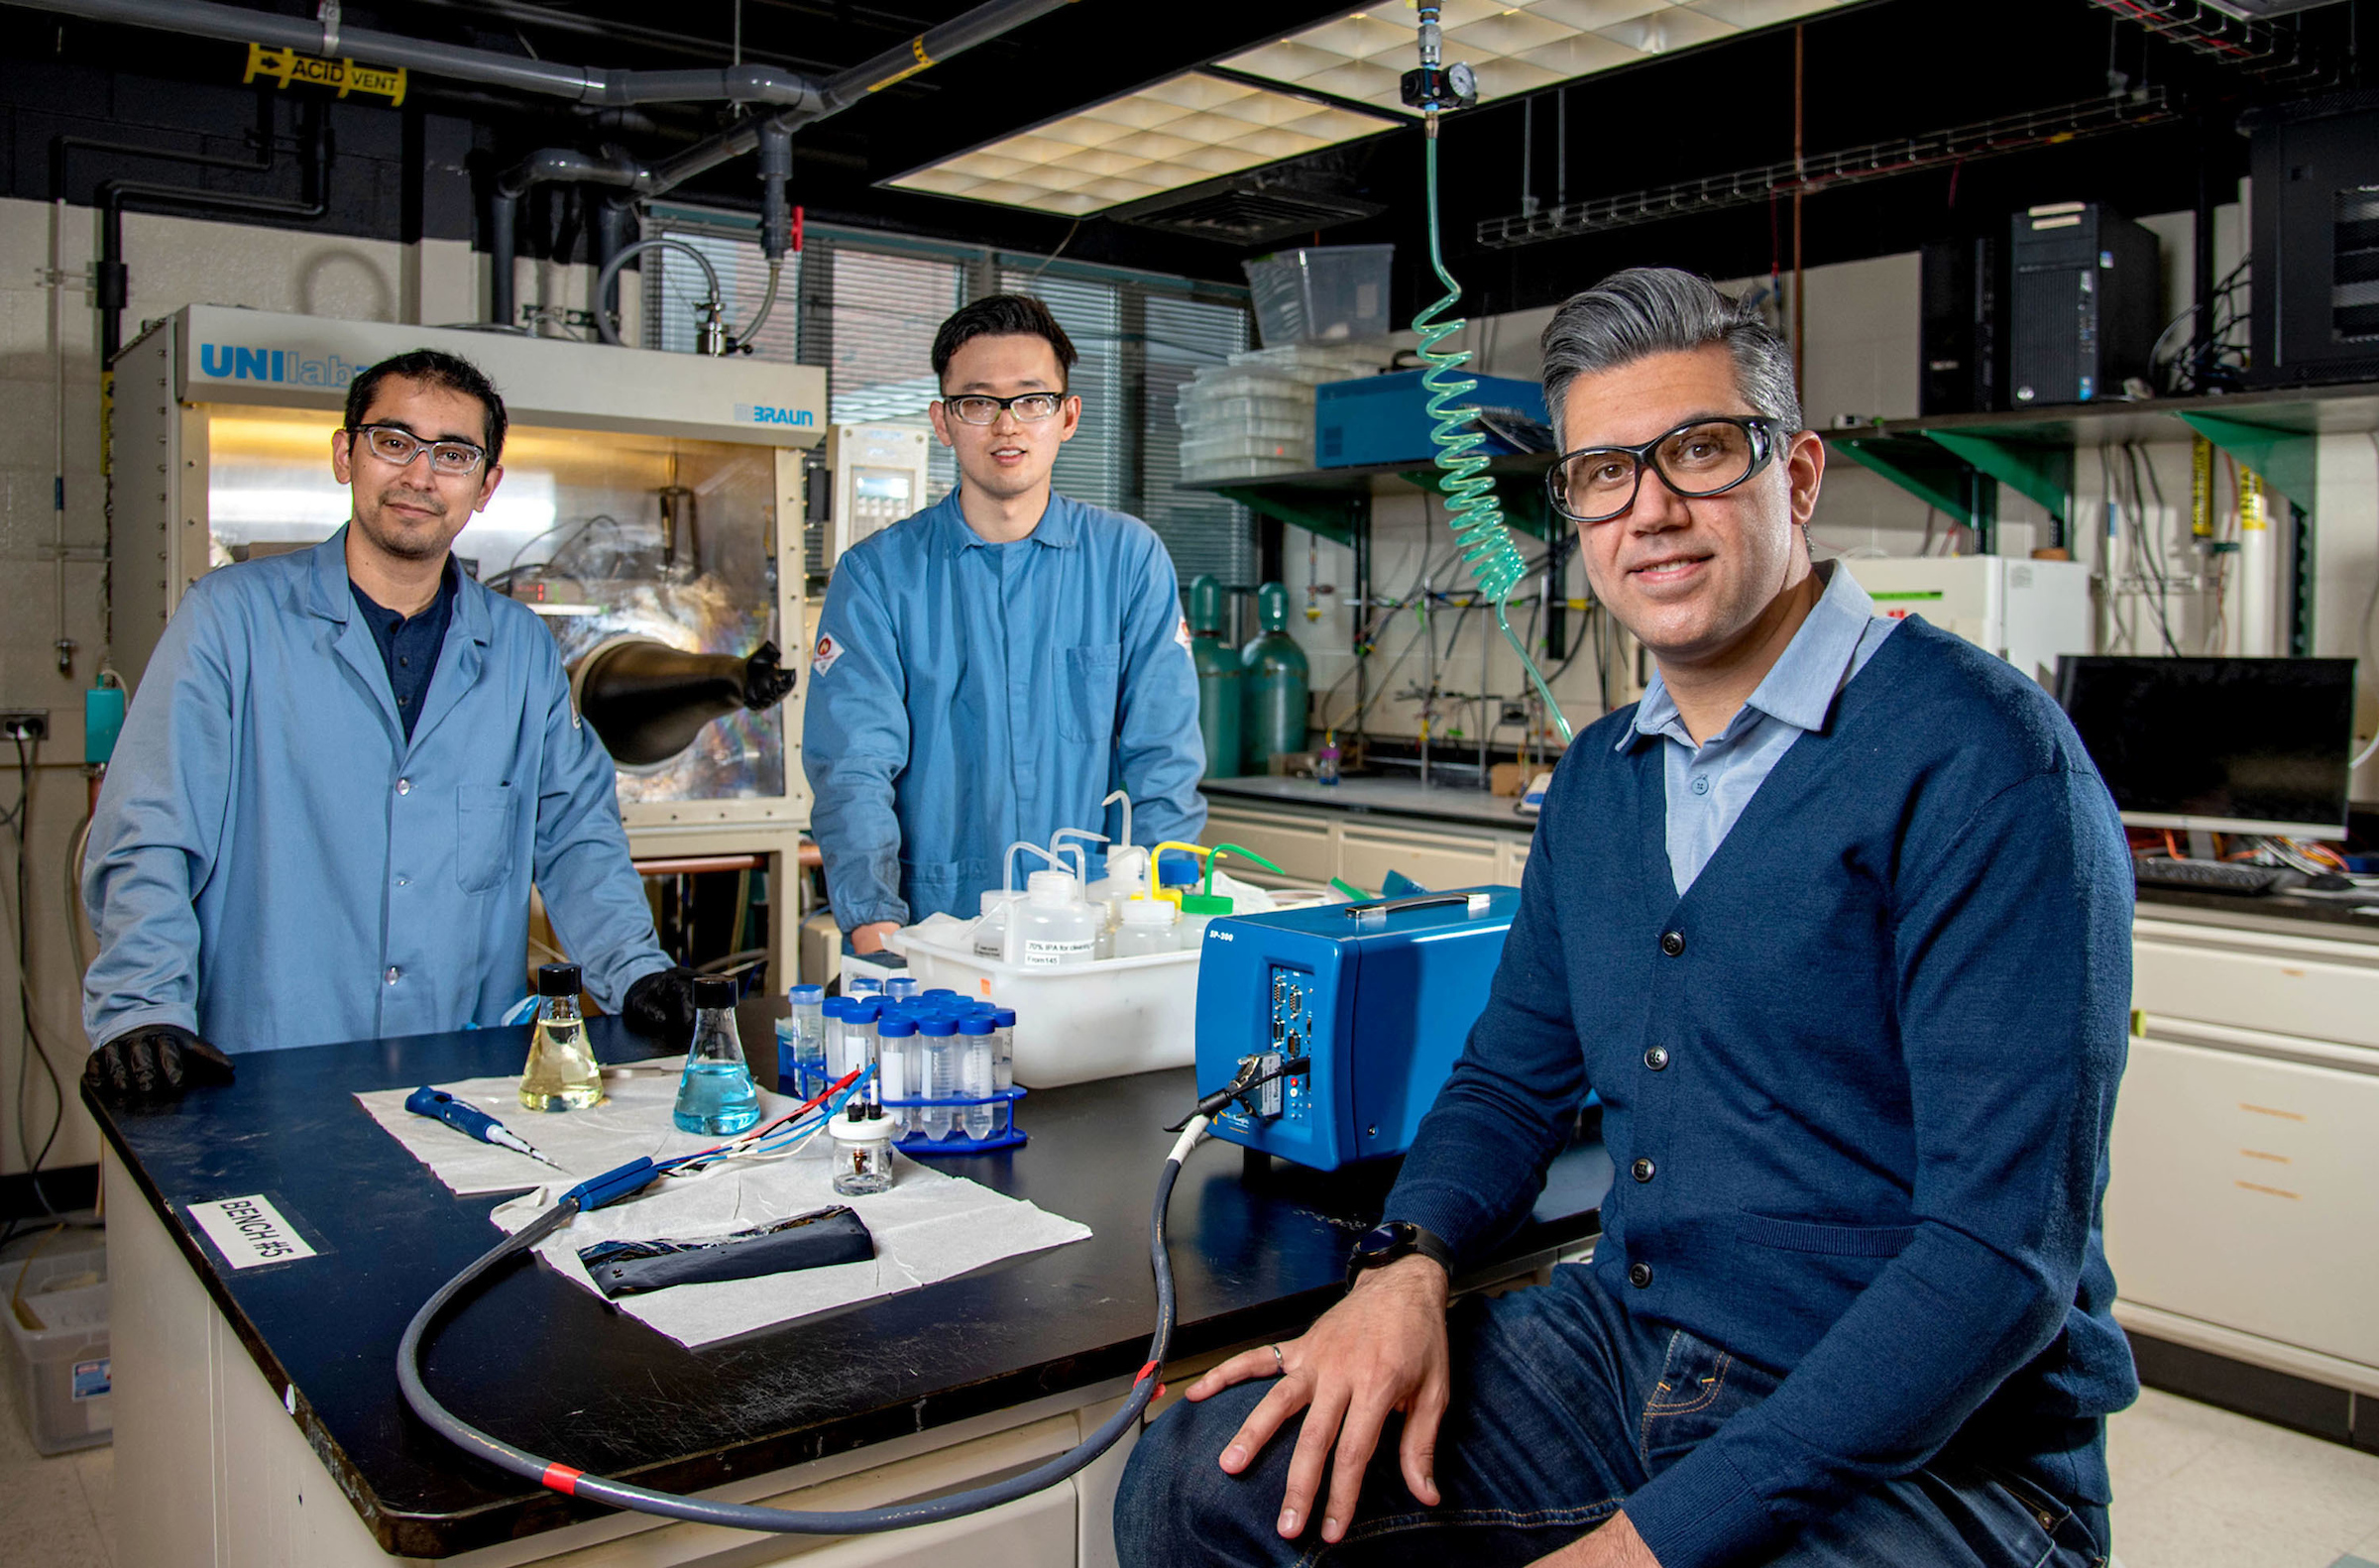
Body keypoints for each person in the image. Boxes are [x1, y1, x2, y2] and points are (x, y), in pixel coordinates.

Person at [1115, 269, 2135, 1567]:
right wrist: (1404, 1268)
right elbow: (1506, 1081)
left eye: (1698, 450)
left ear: (1800, 474)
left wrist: (1640, 1550)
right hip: (1635, 1352)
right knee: (1206, 1475)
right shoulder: (1603, 779)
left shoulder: (1984, 765)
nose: (1648, 507)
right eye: (1601, 471)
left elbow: (1995, 1264)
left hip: (1944, 1453)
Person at [81, 348, 698, 1104]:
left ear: (485, 484)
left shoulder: (520, 650)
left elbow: (575, 837)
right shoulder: (230, 621)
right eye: (393, 441)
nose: (419, 475)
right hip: (269, 1069)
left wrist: (635, 970)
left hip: (463, 1074)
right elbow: (148, 833)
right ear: (346, 454)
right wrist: (143, 1009)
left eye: (452, 453)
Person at [804, 293, 1205, 951]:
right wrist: (876, 923)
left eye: (1031, 400)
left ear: (1068, 415)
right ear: (943, 420)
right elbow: (853, 766)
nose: (1007, 425)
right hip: (934, 930)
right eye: (978, 402)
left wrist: (1168, 907)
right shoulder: (877, 575)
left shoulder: (1127, 560)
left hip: (1096, 924)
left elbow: (1164, 760)